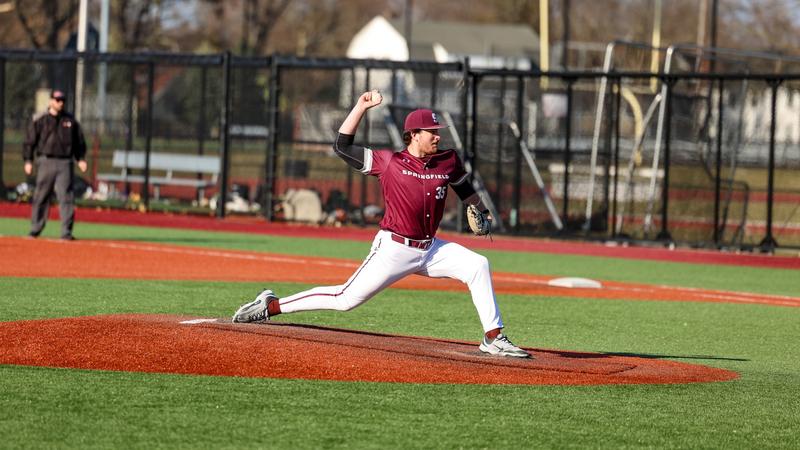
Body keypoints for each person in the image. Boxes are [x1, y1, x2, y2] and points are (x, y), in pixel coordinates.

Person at [233, 90, 530, 358]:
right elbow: (342, 146)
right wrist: (361, 107)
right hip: (395, 248)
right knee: (345, 299)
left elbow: (463, 187)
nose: (438, 136)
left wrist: (481, 209)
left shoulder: (447, 160)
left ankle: (493, 337)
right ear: (414, 134)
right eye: (431, 132)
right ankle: (272, 305)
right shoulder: (389, 162)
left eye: (438, 131)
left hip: (430, 249)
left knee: (477, 265)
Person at [22, 89, 88, 240]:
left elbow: (79, 142)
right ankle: (35, 229)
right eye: (57, 100)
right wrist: (28, 160)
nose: (60, 103)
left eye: (62, 100)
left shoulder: (70, 121)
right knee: (41, 196)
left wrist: (81, 159)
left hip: (65, 162)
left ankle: (66, 232)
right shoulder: (41, 119)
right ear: (51, 101)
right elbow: (30, 141)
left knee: (66, 197)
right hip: (46, 161)